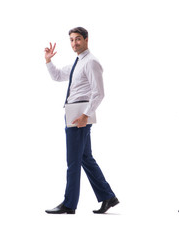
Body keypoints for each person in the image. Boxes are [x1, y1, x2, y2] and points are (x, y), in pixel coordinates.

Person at [44, 27, 119, 214]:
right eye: (71, 40)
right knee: (85, 157)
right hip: (74, 114)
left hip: (79, 116)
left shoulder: (91, 62)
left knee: (73, 161)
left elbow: (99, 92)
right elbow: (57, 76)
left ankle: (69, 204)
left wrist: (86, 115)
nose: (74, 43)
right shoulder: (78, 62)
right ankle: (108, 196)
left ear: (86, 39)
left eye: (78, 39)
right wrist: (48, 61)